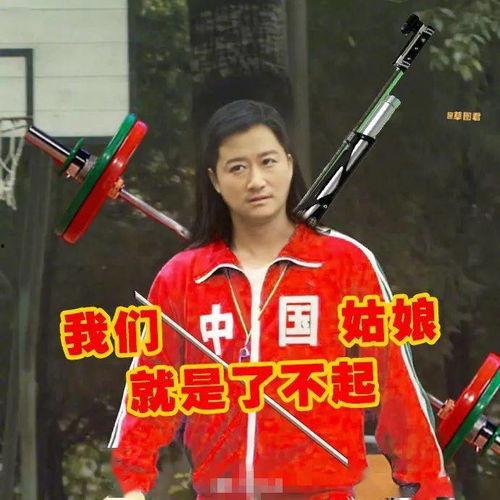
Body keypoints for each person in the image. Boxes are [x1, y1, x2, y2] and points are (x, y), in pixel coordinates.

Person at [111, 100, 454, 499]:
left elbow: (395, 382)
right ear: (215, 180)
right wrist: (131, 485)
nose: (256, 181)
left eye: (268, 161)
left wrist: (427, 486)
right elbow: (150, 387)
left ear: (289, 164)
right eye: (237, 168)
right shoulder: (182, 277)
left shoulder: (345, 262)